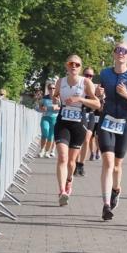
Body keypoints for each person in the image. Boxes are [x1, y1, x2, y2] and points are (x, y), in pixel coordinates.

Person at [96, 43, 127, 220]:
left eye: (125, 51)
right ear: (113, 53)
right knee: (108, 163)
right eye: (118, 49)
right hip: (107, 121)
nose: (121, 53)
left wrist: (126, 94)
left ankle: (116, 190)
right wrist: (98, 93)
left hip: (126, 123)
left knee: (117, 165)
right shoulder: (105, 73)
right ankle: (106, 205)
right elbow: (100, 97)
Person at [52, 55, 100, 206]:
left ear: (80, 67)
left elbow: (97, 104)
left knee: (72, 162)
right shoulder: (60, 81)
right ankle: (62, 192)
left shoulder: (85, 82)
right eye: (70, 63)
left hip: (79, 124)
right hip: (63, 123)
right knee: (62, 158)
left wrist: (79, 99)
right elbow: (55, 96)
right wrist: (55, 100)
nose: (73, 66)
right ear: (66, 66)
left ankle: (69, 180)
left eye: (77, 64)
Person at [74, 66, 97, 176]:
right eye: (86, 75)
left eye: (90, 76)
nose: (88, 77)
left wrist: (100, 95)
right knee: (79, 140)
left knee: (87, 139)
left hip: (91, 115)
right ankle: (75, 163)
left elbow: (99, 106)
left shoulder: (95, 88)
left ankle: (81, 165)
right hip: (80, 113)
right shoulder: (79, 86)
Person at [37, 86, 58, 158]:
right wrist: (42, 108)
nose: (52, 89)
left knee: (51, 136)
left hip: (54, 118)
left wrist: (56, 108)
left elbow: (62, 107)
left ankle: (47, 151)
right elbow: (40, 107)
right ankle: (42, 150)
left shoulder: (58, 98)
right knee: (45, 132)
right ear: (48, 89)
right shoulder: (45, 98)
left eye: (53, 88)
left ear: (55, 89)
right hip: (45, 117)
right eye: (50, 88)